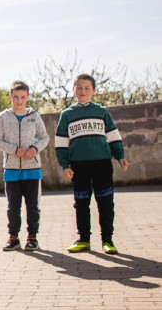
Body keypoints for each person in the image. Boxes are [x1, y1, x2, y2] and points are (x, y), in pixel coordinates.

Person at [55, 74, 128, 254]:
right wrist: (65, 165)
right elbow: (61, 143)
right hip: (78, 165)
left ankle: (107, 240)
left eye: (87, 88)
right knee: (81, 202)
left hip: (101, 163)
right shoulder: (67, 114)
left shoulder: (102, 112)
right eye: (79, 87)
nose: (83, 91)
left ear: (94, 91)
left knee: (105, 202)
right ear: (73, 90)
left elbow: (113, 138)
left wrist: (120, 156)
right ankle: (84, 239)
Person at [0, 81, 49, 252]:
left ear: (28, 97)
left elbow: (44, 137)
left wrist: (34, 148)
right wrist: (15, 150)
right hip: (11, 170)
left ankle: (32, 238)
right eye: (16, 97)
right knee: (13, 206)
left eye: (23, 97)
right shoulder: (2, 117)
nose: (19, 101)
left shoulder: (35, 116)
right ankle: (13, 237)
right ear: (10, 97)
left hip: (33, 169)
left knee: (32, 205)